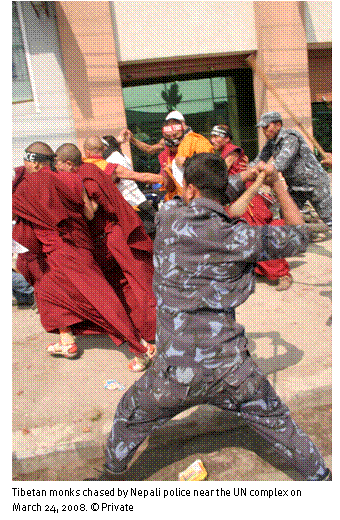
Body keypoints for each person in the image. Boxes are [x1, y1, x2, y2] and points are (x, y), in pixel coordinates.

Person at [84, 152, 331, 481]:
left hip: (172, 374)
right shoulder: (240, 237)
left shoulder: (168, 215)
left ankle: (111, 476)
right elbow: (300, 236)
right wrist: (277, 184)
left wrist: (245, 179)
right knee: (280, 425)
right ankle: (319, 475)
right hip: (232, 372)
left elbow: (210, 195)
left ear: (188, 189)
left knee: (129, 413)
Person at [13, 142, 155, 368]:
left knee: (98, 300)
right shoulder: (71, 179)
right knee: (46, 289)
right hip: (71, 248)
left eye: (26, 161)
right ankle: (66, 339)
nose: (24, 165)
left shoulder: (23, 187)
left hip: (65, 251)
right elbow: (89, 213)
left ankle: (139, 346)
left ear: (35, 162)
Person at [54, 143, 157, 371]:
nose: (56, 168)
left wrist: (77, 193)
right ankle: (143, 329)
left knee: (139, 281)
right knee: (124, 284)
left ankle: (151, 339)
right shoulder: (93, 169)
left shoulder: (85, 178)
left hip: (117, 232)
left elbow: (90, 213)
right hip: (109, 234)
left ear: (68, 163)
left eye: (58, 163)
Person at [210, 124, 293, 291]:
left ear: (227, 138)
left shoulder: (231, 151)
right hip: (239, 199)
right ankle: (256, 269)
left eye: (217, 136)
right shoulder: (224, 153)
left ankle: (282, 273)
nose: (213, 140)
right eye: (212, 136)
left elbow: (221, 172)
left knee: (258, 234)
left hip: (248, 200)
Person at [250, 111, 332, 230]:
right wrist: (245, 171)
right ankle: (296, 242)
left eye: (267, 127)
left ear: (278, 125)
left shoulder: (291, 138)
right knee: (286, 215)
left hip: (314, 184)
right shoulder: (271, 143)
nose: (264, 131)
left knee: (329, 219)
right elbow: (259, 160)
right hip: (296, 187)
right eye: (263, 128)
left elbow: (280, 164)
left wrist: (261, 171)